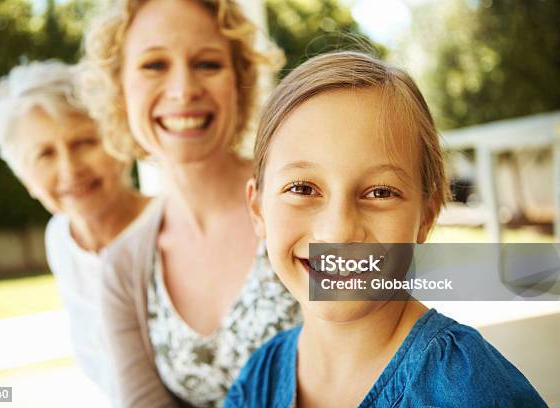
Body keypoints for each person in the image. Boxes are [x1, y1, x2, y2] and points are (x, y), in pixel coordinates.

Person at [225, 51, 546, 407]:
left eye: (380, 192)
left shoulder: (470, 390)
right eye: (302, 188)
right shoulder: (258, 379)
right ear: (257, 209)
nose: (338, 232)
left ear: (427, 214)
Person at [80, 0, 301, 406]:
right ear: (119, 88)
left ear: (239, 80)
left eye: (207, 64)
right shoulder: (123, 271)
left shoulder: (308, 192)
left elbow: (414, 302)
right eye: (154, 65)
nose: (183, 90)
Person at [0, 60, 157, 407]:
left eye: (83, 143)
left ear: (118, 146)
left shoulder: (171, 225)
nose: (70, 169)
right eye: (45, 154)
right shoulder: (60, 239)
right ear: (24, 176)